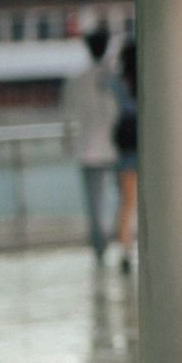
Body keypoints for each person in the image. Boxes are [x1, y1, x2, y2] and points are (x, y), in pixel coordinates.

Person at [63, 27, 119, 264]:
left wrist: (68, 144)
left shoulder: (76, 80)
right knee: (127, 199)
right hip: (118, 148)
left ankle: (100, 248)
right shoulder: (115, 77)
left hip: (88, 150)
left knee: (94, 205)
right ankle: (124, 240)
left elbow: (68, 118)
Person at [111, 39, 138, 275]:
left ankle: (126, 250)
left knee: (127, 204)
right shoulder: (148, 82)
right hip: (148, 150)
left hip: (126, 152)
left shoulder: (118, 85)